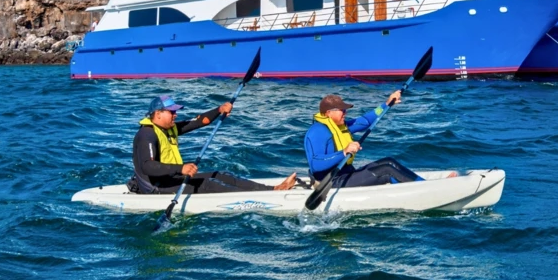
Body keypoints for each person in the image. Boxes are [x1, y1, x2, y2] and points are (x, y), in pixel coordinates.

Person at [127, 95, 296, 194]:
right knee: (209, 184)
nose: (175, 115)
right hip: (156, 187)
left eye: (176, 112)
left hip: (171, 179)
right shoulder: (146, 134)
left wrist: (219, 110)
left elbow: (198, 122)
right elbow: (147, 166)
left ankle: (272, 190)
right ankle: (264, 197)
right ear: (157, 114)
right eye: (171, 112)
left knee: (220, 175)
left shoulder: (168, 129)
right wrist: (181, 169)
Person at [305, 92, 436, 188]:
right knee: (386, 170)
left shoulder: (339, 126)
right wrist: (344, 152)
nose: (345, 113)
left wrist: (386, 104)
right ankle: (427, 190)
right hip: (330, 182)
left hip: (346, 174)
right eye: (342, 110)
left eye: (345, 110)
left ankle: (423, 185)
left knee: (389, 162)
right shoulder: (318, 131)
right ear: (328, 113)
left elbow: (365, 121)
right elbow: (316, 165)